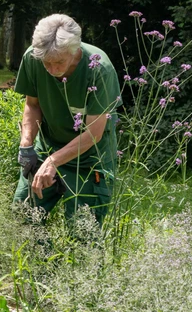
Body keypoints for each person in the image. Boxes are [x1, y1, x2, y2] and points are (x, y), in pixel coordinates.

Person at [12, 14, 120, 223]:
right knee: (22, 216)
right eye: (46, 63)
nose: (52, 70)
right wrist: (26, 144)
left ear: (75, 50)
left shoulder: (99, 69)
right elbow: (32, 105)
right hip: (47, 148)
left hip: (90, 159)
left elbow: (93, 134)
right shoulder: (33, 57)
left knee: (83, 231)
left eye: (58, 62)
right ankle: (39, 257)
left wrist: (54, 161)